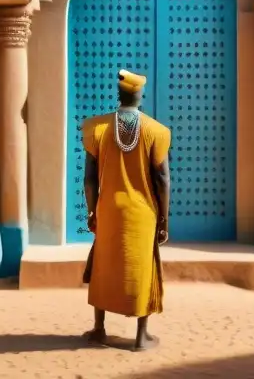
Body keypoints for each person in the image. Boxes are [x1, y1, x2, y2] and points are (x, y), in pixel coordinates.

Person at [81, 68, 171, 351]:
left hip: (108, 209)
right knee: (142, 267)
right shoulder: (156, 131)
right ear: (140, 95)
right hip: (144, 212)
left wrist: (92, 210)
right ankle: (141, 336)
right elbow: (163, 179)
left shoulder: (96, 128)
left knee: (103, 265)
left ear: (119, 94)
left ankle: (99, 329)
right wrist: (164, 218)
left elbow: (89, 178)